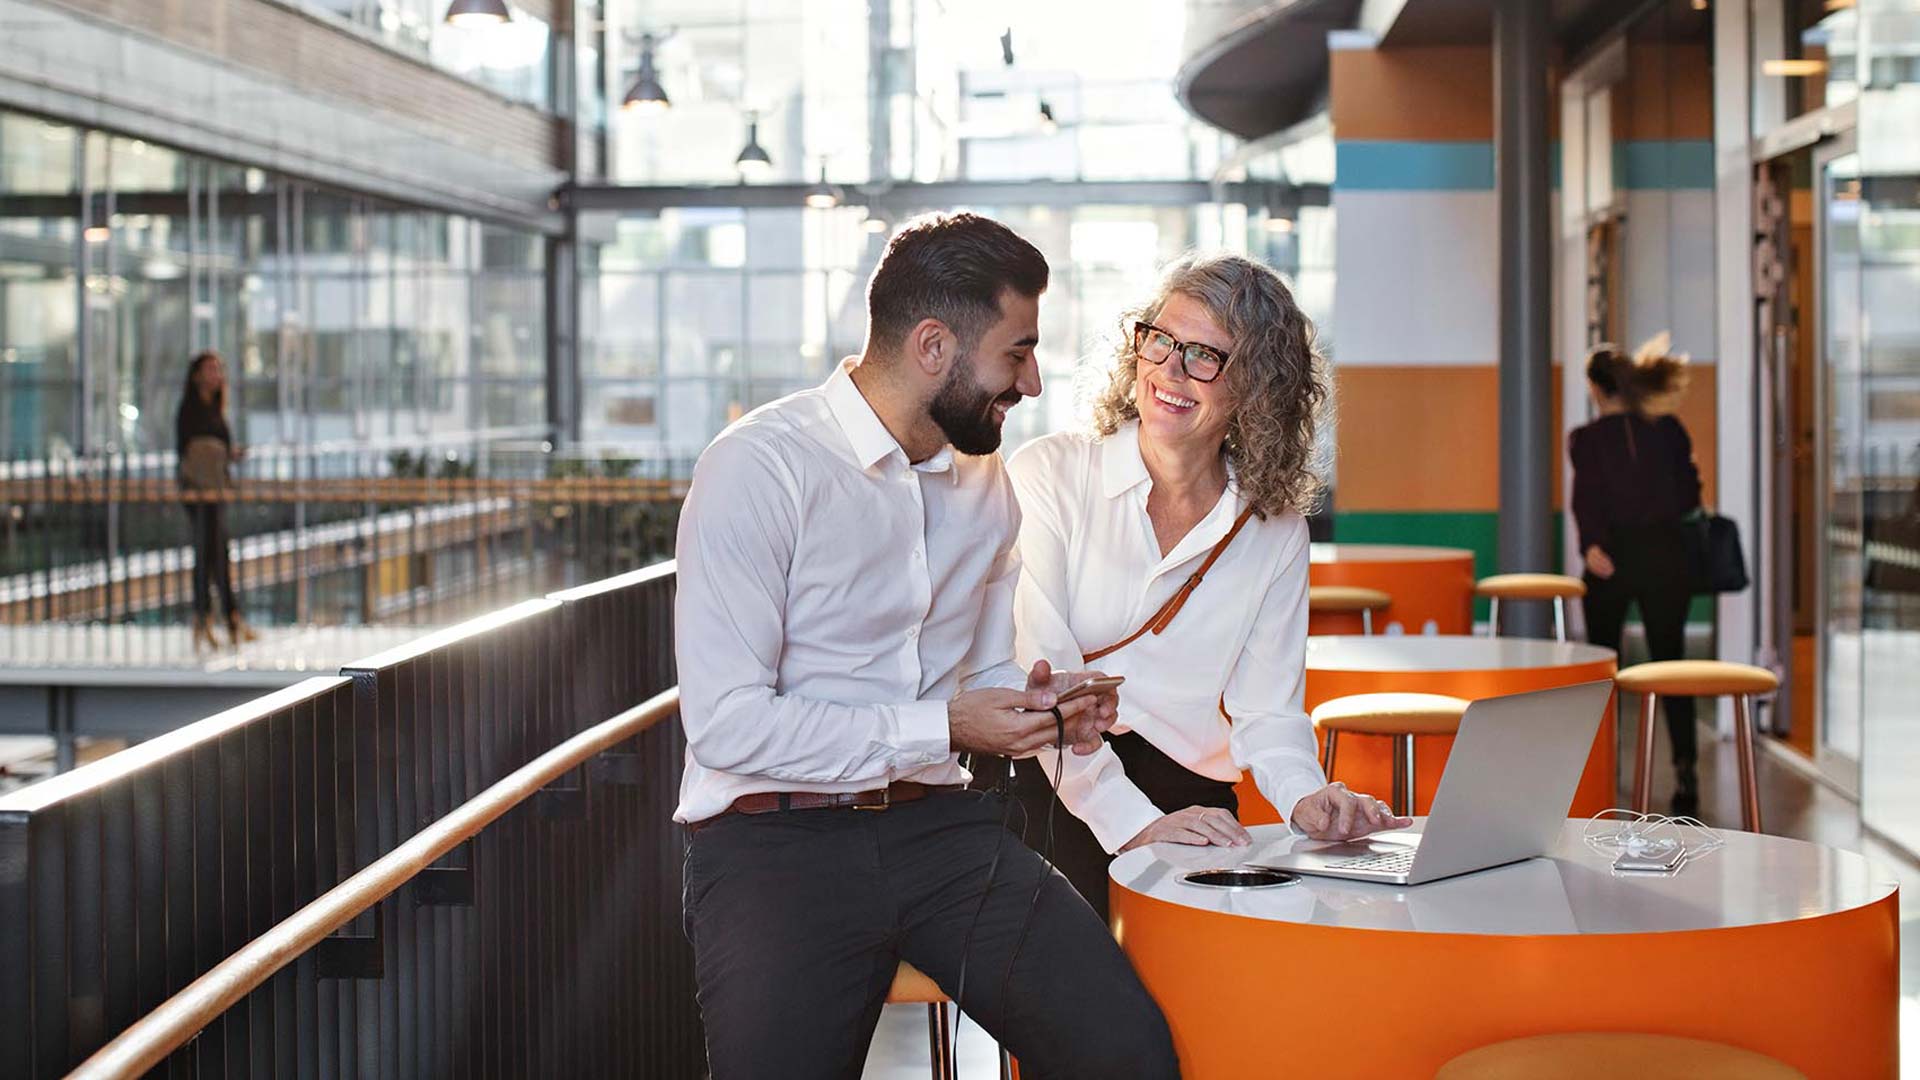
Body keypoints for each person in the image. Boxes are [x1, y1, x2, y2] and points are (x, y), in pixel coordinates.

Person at [673, 212, 1180, 1079]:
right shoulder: (758, 467)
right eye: (1017, 353)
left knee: (1126, 1051)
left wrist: (1039, 705)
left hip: (942, 831)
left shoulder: (985, 484)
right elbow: (727, 727)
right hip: (772, 848)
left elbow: (979, 671)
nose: (1032, 382)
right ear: (935, 346)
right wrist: (945, 726)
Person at [1004, 253, 1406, 919]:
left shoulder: (1273, 528)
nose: (1170, 369)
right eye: (1160, 340)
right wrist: (1134, 824)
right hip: (1048, 788)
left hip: (1191, 803)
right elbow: (1041, 682)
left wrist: (1305, 797)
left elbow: (1267, 712)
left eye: (1204, 356)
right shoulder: (1050, 474)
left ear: (1257, 389)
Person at [1569, 333, 1703, 816]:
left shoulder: (1586, 440)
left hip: (1611, 559)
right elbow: (1690, 496)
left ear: (1594, 388)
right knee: (1672, 668)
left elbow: (1586, 500)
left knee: (1605, 670)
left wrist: (1592, 545)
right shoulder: (1668, 431)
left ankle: (1606, 770)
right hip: (1667, 557)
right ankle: (1686, 771)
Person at [175, 350, 256, 651]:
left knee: (217, 553)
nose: (215, 375)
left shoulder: (216, 409)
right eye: (210, 369)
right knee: (209, 554)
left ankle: (221, 618)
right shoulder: (190, 409)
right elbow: (189, 450)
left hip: (215, 489)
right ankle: (213, 618)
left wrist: (228, 454)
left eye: (218, 369)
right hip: (199, 492)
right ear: (197, 375)